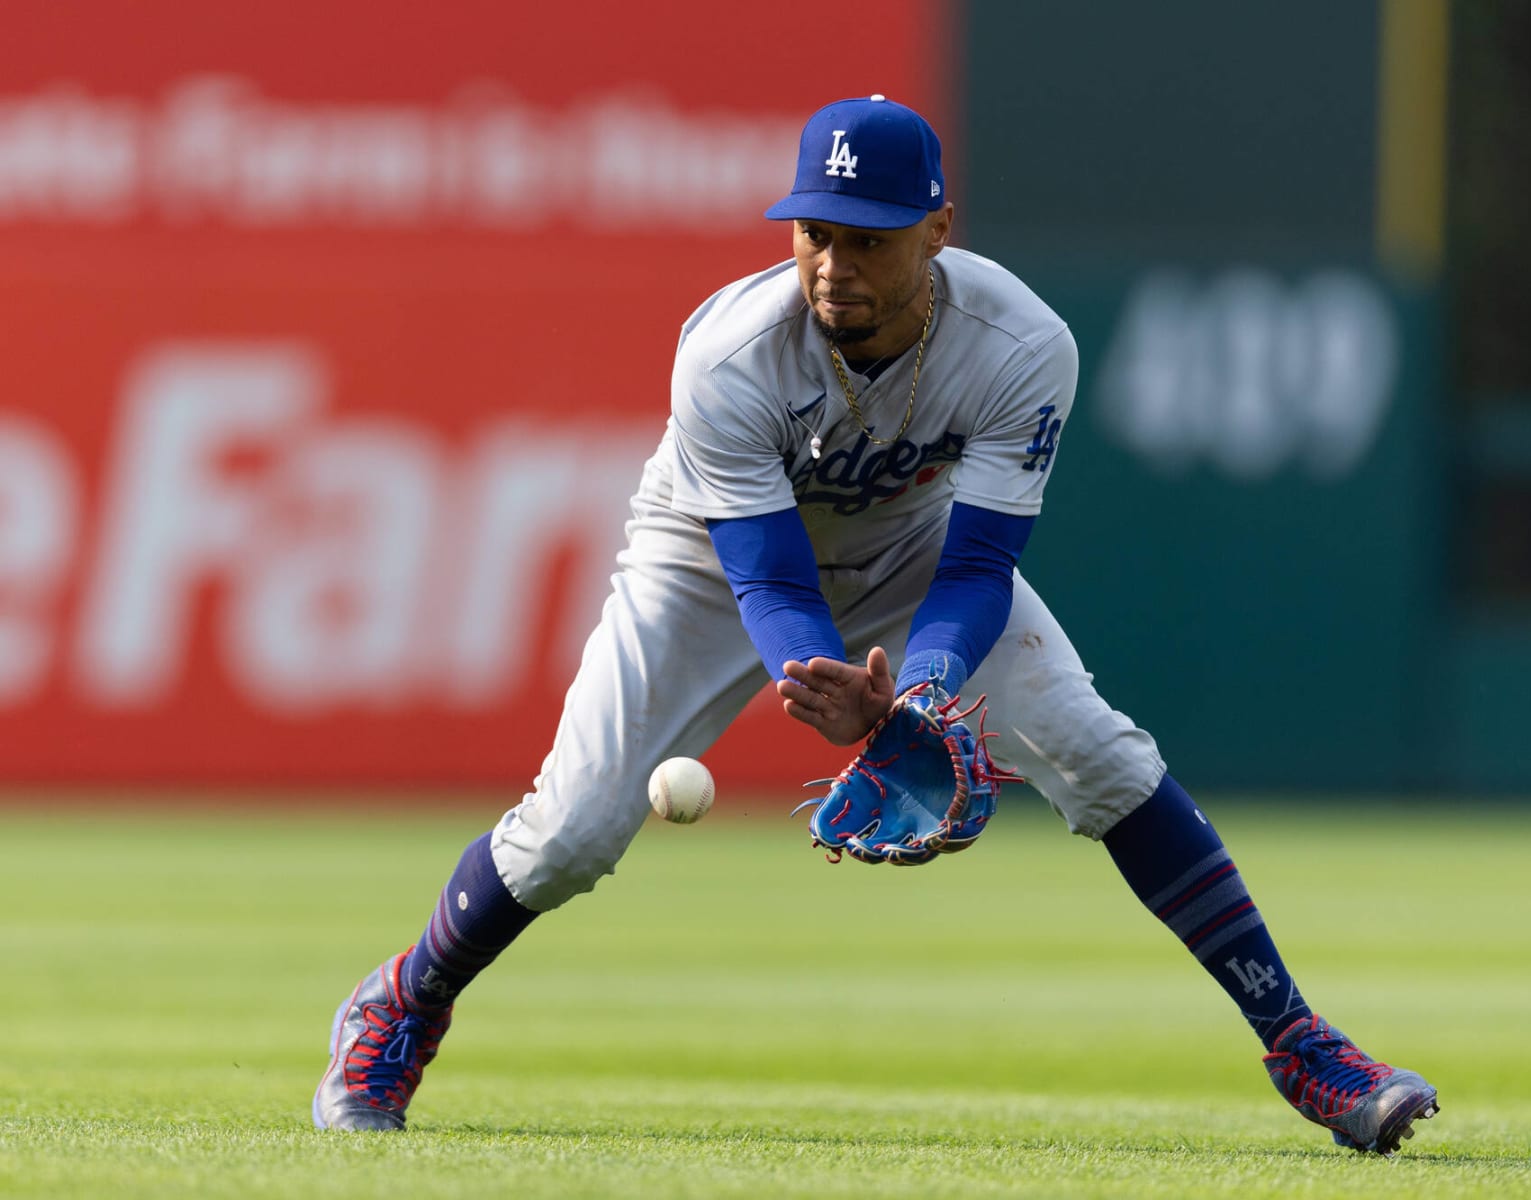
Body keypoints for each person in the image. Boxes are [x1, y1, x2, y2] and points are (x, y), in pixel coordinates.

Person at [313, 94, 1439, 1154]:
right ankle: (401, 1003)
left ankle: (1302, 1048)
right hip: (703, 558)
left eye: (870, 239)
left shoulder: (1021, 343)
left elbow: (983, 557)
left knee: (1103, 756)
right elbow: (764, 577)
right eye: (815, 232)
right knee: (569, 835)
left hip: (912, 549)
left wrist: (923, 690)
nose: (834, 265)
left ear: (937, 230)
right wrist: (829, 688)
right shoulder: (728, 354)